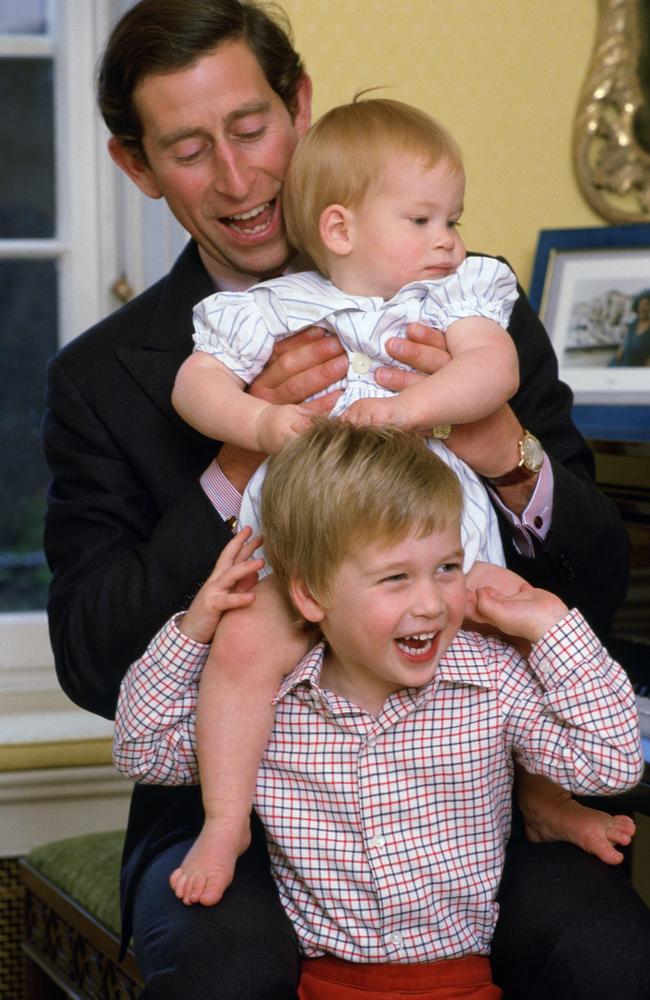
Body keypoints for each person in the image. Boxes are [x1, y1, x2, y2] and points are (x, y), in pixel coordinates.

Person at [41, 1, 649, 997]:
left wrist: (498, 451)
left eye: (250, 129)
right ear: (137, 167)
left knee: (609, 956)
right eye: (190, 150)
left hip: (479, 775)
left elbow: (599, 575)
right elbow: (90, 659)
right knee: (224, 973)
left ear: (300, 107)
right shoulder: (106, 378)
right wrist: (240, 456)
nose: (238, 181)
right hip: (235, 794)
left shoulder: (457, 292)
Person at [113, 420, 644, 1000]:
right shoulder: (270, 708)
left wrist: (551, 625)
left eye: (447, 568)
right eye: (395, 578)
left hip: (464, 982)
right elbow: (142, 751)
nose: (431, 604)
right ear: (311, 595)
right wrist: (194, 629)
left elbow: (613, 764)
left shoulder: (488, 679)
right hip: (321, 982)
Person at [166, 95, 527, 908]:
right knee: (242, 651)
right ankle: (226, 820)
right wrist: (260, 420)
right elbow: (196, 383)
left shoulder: (456, 295)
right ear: (340, 229)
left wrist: (407, 410)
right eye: (425, 219)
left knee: (509, 643)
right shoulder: (274, 309)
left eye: (454, 219)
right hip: (305, 548)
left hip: (432, 543)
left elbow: (492, 371)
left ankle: (542, 798)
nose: (451, 240)